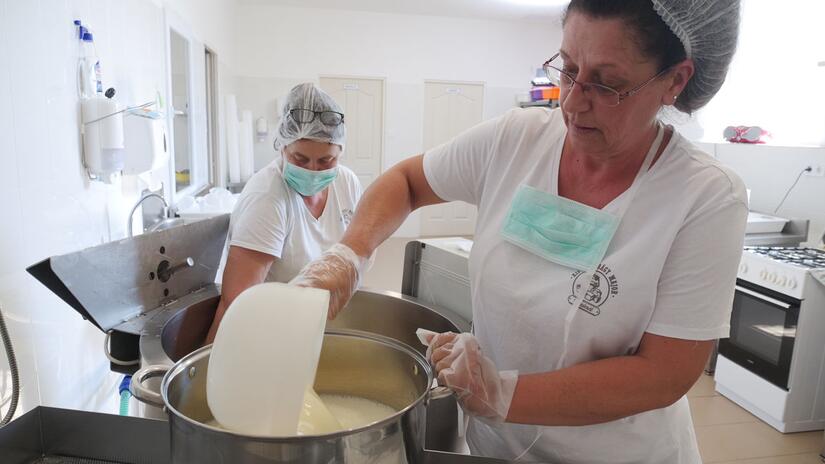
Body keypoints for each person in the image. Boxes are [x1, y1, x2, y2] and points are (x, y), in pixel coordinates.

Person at [291, 0, 746, 462]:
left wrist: (502, 394)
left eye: (608, 84)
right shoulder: (515, 140)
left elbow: (664, 374)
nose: (571, 102)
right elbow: (407, 182)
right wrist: (348, 255)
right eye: (567, 69)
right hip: (497, 447)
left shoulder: (705, 196)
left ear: (675, 79)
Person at [206, 83, 363, 343]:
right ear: (282, 147)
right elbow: (236, 305)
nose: (313, 170)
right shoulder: (268, 199)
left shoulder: (346, 183)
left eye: (326, 161)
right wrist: (205, 373)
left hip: (314, 317)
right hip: (268, 327)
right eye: (300, 159)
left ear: (341, 151)